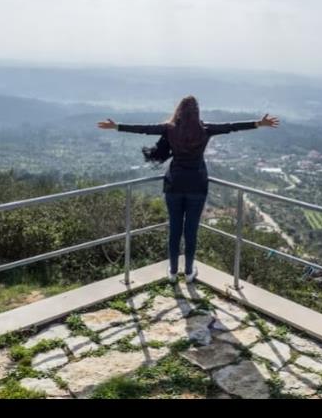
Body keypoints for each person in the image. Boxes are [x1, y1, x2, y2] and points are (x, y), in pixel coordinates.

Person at [97, 95, 279, 283]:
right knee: (191, 231)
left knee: (175, 230)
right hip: (197, 185)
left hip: (174, 184)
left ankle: (173, 272)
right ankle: (190, 272)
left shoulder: (169, 129)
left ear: (179, 111)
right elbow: (231, 126)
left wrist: (117, 126)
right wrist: (258, 123)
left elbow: (144, 129)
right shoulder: (205, 129)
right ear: (197, 112)